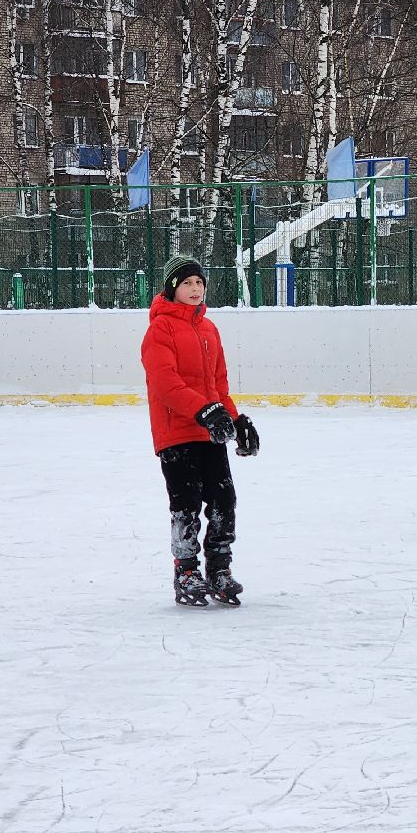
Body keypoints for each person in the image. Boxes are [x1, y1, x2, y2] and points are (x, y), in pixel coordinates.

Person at [141, 254, 261, 605]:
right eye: (186, 283)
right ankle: (187, 571)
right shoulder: (159, 330)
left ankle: (219, 568)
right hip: (176, 433)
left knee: (225, 501)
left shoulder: (209, 328)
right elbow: (164, 382)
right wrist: (202, 410)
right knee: (186, 505)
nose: (195, 289)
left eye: (199, 282)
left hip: (210, 431)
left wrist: (235, 420)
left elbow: (219, 385)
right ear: (172, 288)